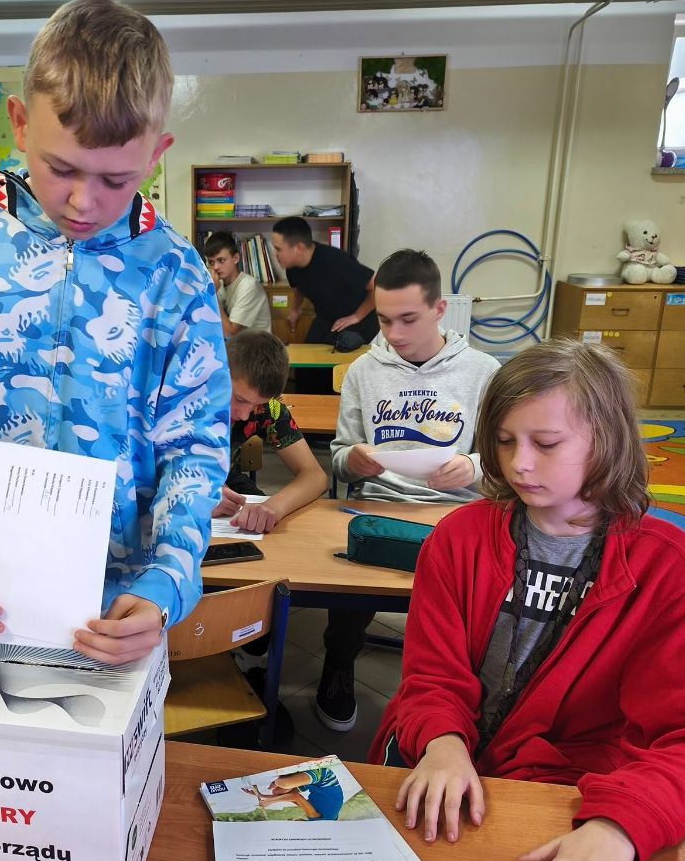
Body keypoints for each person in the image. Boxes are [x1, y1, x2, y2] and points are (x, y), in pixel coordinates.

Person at [0, 0, 230, 667]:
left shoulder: (176, 273)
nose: (83, 202)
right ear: (21, 125)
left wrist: (170, 578)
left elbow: (195, 447)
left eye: (116, 179)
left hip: (114, 608)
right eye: (62, 169)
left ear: (157, 154)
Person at [372, 338, 685, 861]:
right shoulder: (458, 538)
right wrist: (443, 743)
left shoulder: (671, 571)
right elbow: (431, 678)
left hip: (575, 792)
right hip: (441, 758)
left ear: (607, 439)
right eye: (504, 441)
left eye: (546, 443)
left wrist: (621, 827)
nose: (519, 464)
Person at [317, 249, 499, 733]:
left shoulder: (484, 372)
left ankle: (466, 690)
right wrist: (353, 460)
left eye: (408, 319)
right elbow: (339, 458)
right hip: (378, 505)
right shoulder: (364, 371)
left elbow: (504, 465)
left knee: (475, 601)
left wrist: (472, 467)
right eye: (383, 320)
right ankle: (339, 663)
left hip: (457, 512)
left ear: (439, 310)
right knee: (345, 582)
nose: (394, 334)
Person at [215, 330, 327, 533]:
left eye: (256, 405)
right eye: (239, 399)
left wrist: (275, 507)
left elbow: (315, 476)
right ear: (219, 372)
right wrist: (196, 492)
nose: (244, 415)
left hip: (227, 484)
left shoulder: (268, 407)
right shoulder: (186, 395)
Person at [271, 216, 380, 346]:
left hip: (358, 320)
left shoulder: (335, 261)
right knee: (307, 354)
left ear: (298, 248)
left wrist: (356, 317)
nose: (275, 254)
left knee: (331, 356)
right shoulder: (292, 266)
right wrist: (295, 309)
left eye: (278, 249)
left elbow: (377, 285)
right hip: (327, 318)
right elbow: (300, 286)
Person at [204, 231, 272, 336]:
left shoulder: (249, 286)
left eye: (221, 260)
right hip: (235, 344)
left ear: (235, 258)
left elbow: (230, 333)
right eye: (211, 262)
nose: (216, 267)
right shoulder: (219, 284)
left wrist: (213, 293)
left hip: (257, 345)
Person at [242, 764, 345, 821]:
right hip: (325, 779)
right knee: (283, 783)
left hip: (314, 786)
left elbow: (291, 798)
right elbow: (296, 797)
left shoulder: (318, 817)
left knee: (278, 792)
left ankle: (294, 778)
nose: (292, 820)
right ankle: (285, 780)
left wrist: (261, 795)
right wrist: (270, 802)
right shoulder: (317, 819)